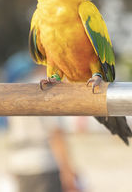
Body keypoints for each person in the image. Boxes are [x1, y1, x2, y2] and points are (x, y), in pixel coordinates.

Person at [5, 52, 80, 192]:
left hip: (20, 163)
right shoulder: (47, 88)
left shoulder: (17, 89)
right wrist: (68, 172)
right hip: (44, 164)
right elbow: (55, 133)